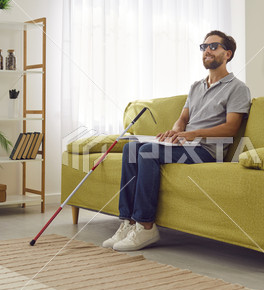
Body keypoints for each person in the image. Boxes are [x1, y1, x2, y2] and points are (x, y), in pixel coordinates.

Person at [103, 30, 251, 251]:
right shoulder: (195, 87)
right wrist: (175, 132)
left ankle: (146, 227)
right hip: (186, 144)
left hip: (208, 150)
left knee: (146, 152)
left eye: (213, 46)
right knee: (132, 149)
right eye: (204, 47)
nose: (207, 51)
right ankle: (128, 221)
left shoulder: (238, 88)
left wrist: (192, 134)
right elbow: (183, 119)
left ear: (227, 54)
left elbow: (231, 128)